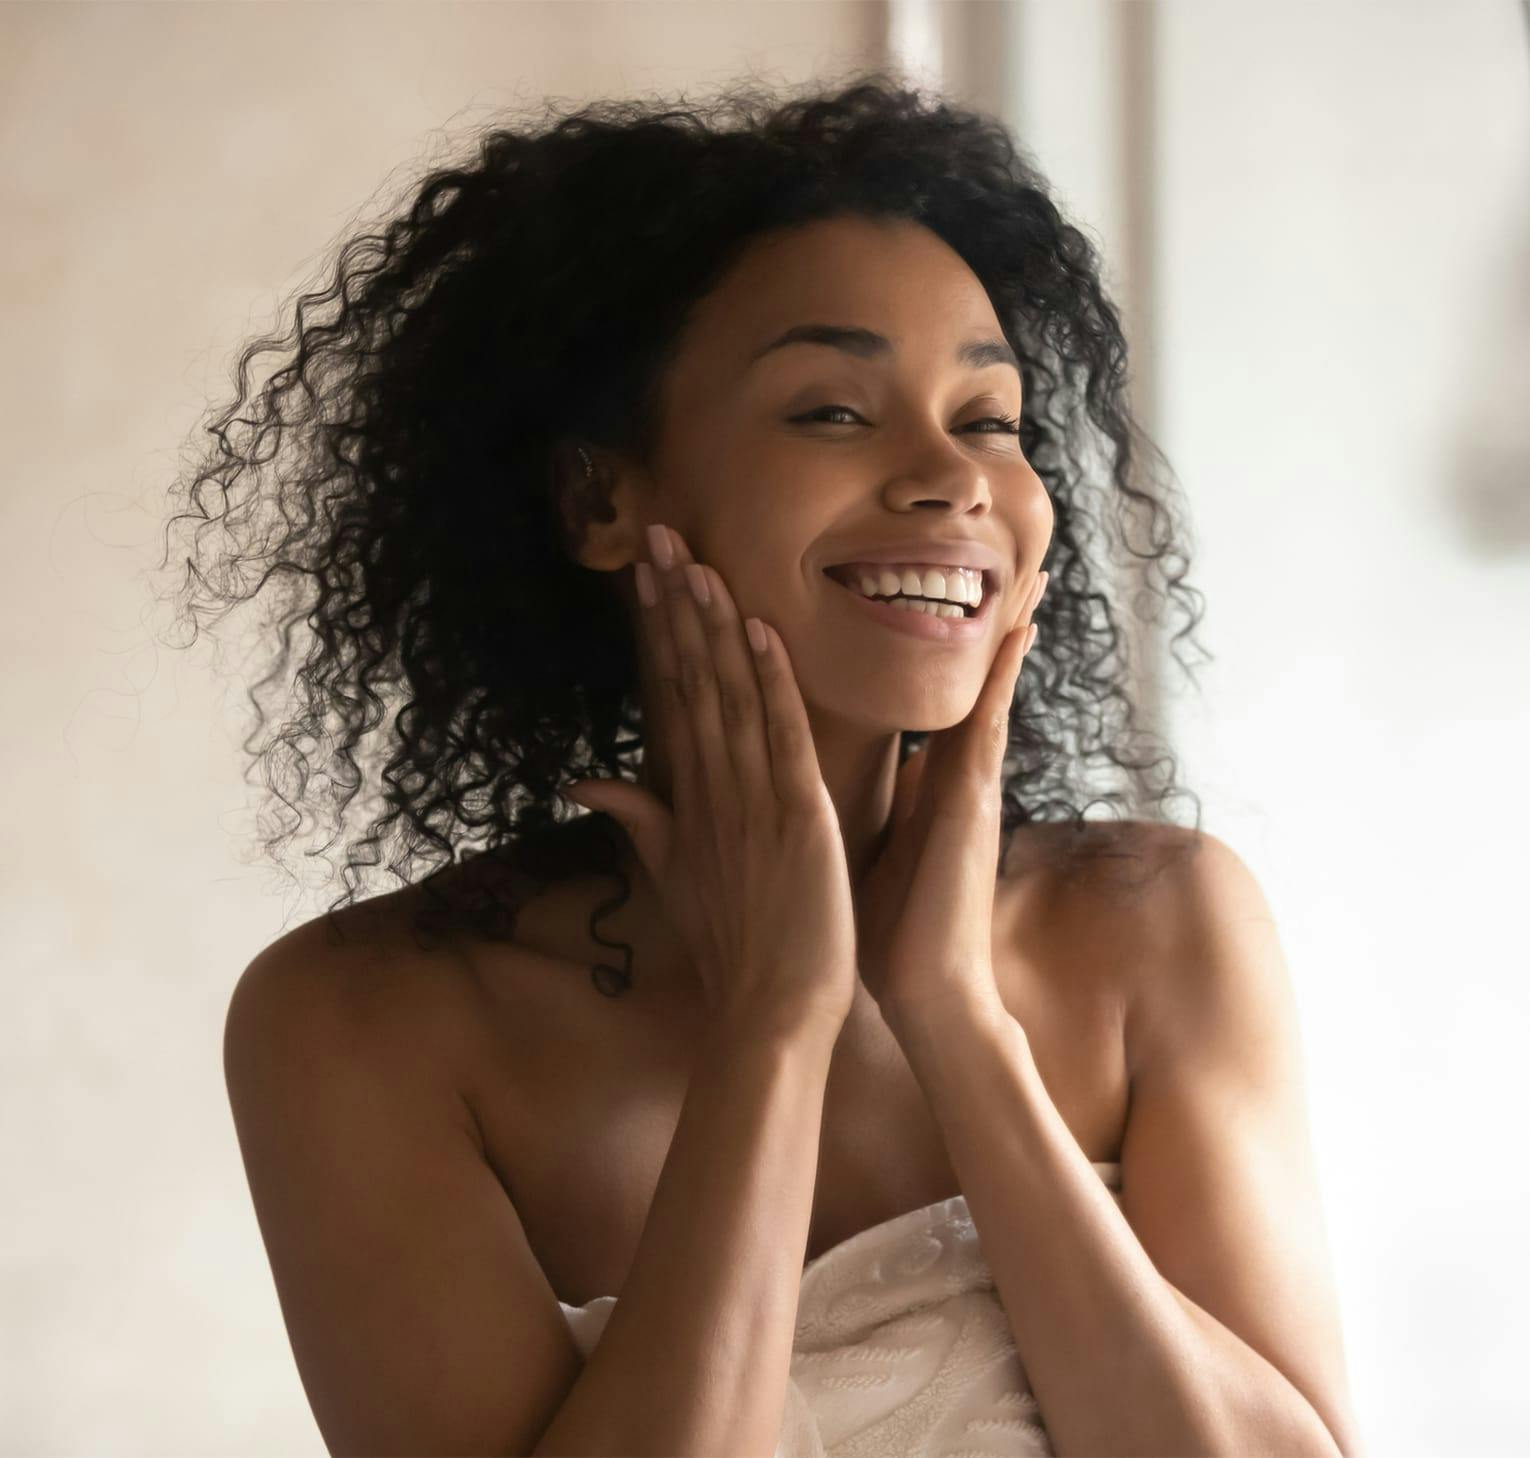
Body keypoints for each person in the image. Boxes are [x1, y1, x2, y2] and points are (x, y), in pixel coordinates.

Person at [167, 70, 1361, 1458]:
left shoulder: (1161, 920)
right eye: (833, 413)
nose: (951, 478)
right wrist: (772, 1030)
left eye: (988, 417)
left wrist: (957, 1021)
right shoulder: (363, 1023)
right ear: (601, 498)